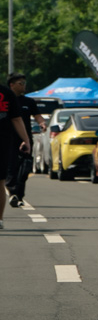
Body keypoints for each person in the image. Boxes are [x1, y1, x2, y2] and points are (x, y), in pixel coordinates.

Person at [0, 80, 32, 228]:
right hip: (3, 141)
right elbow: (17, 119)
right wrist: (26, 140)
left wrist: (26, 140)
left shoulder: (7, 94)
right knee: (0, 182)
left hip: (3, 141)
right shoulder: (7, 93)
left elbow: (17, 119)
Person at [5, 74, 40, 205]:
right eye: (21, 83)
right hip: (9, 138)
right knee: (11, 166)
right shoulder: (5, 100)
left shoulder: (29, 102)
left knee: (25, 167)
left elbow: (37, 116)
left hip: (26, 139)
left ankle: (18, 195)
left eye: (24, 83)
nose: (24, 86)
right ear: (12, 85)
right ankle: (13, 192)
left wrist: (42, 123)